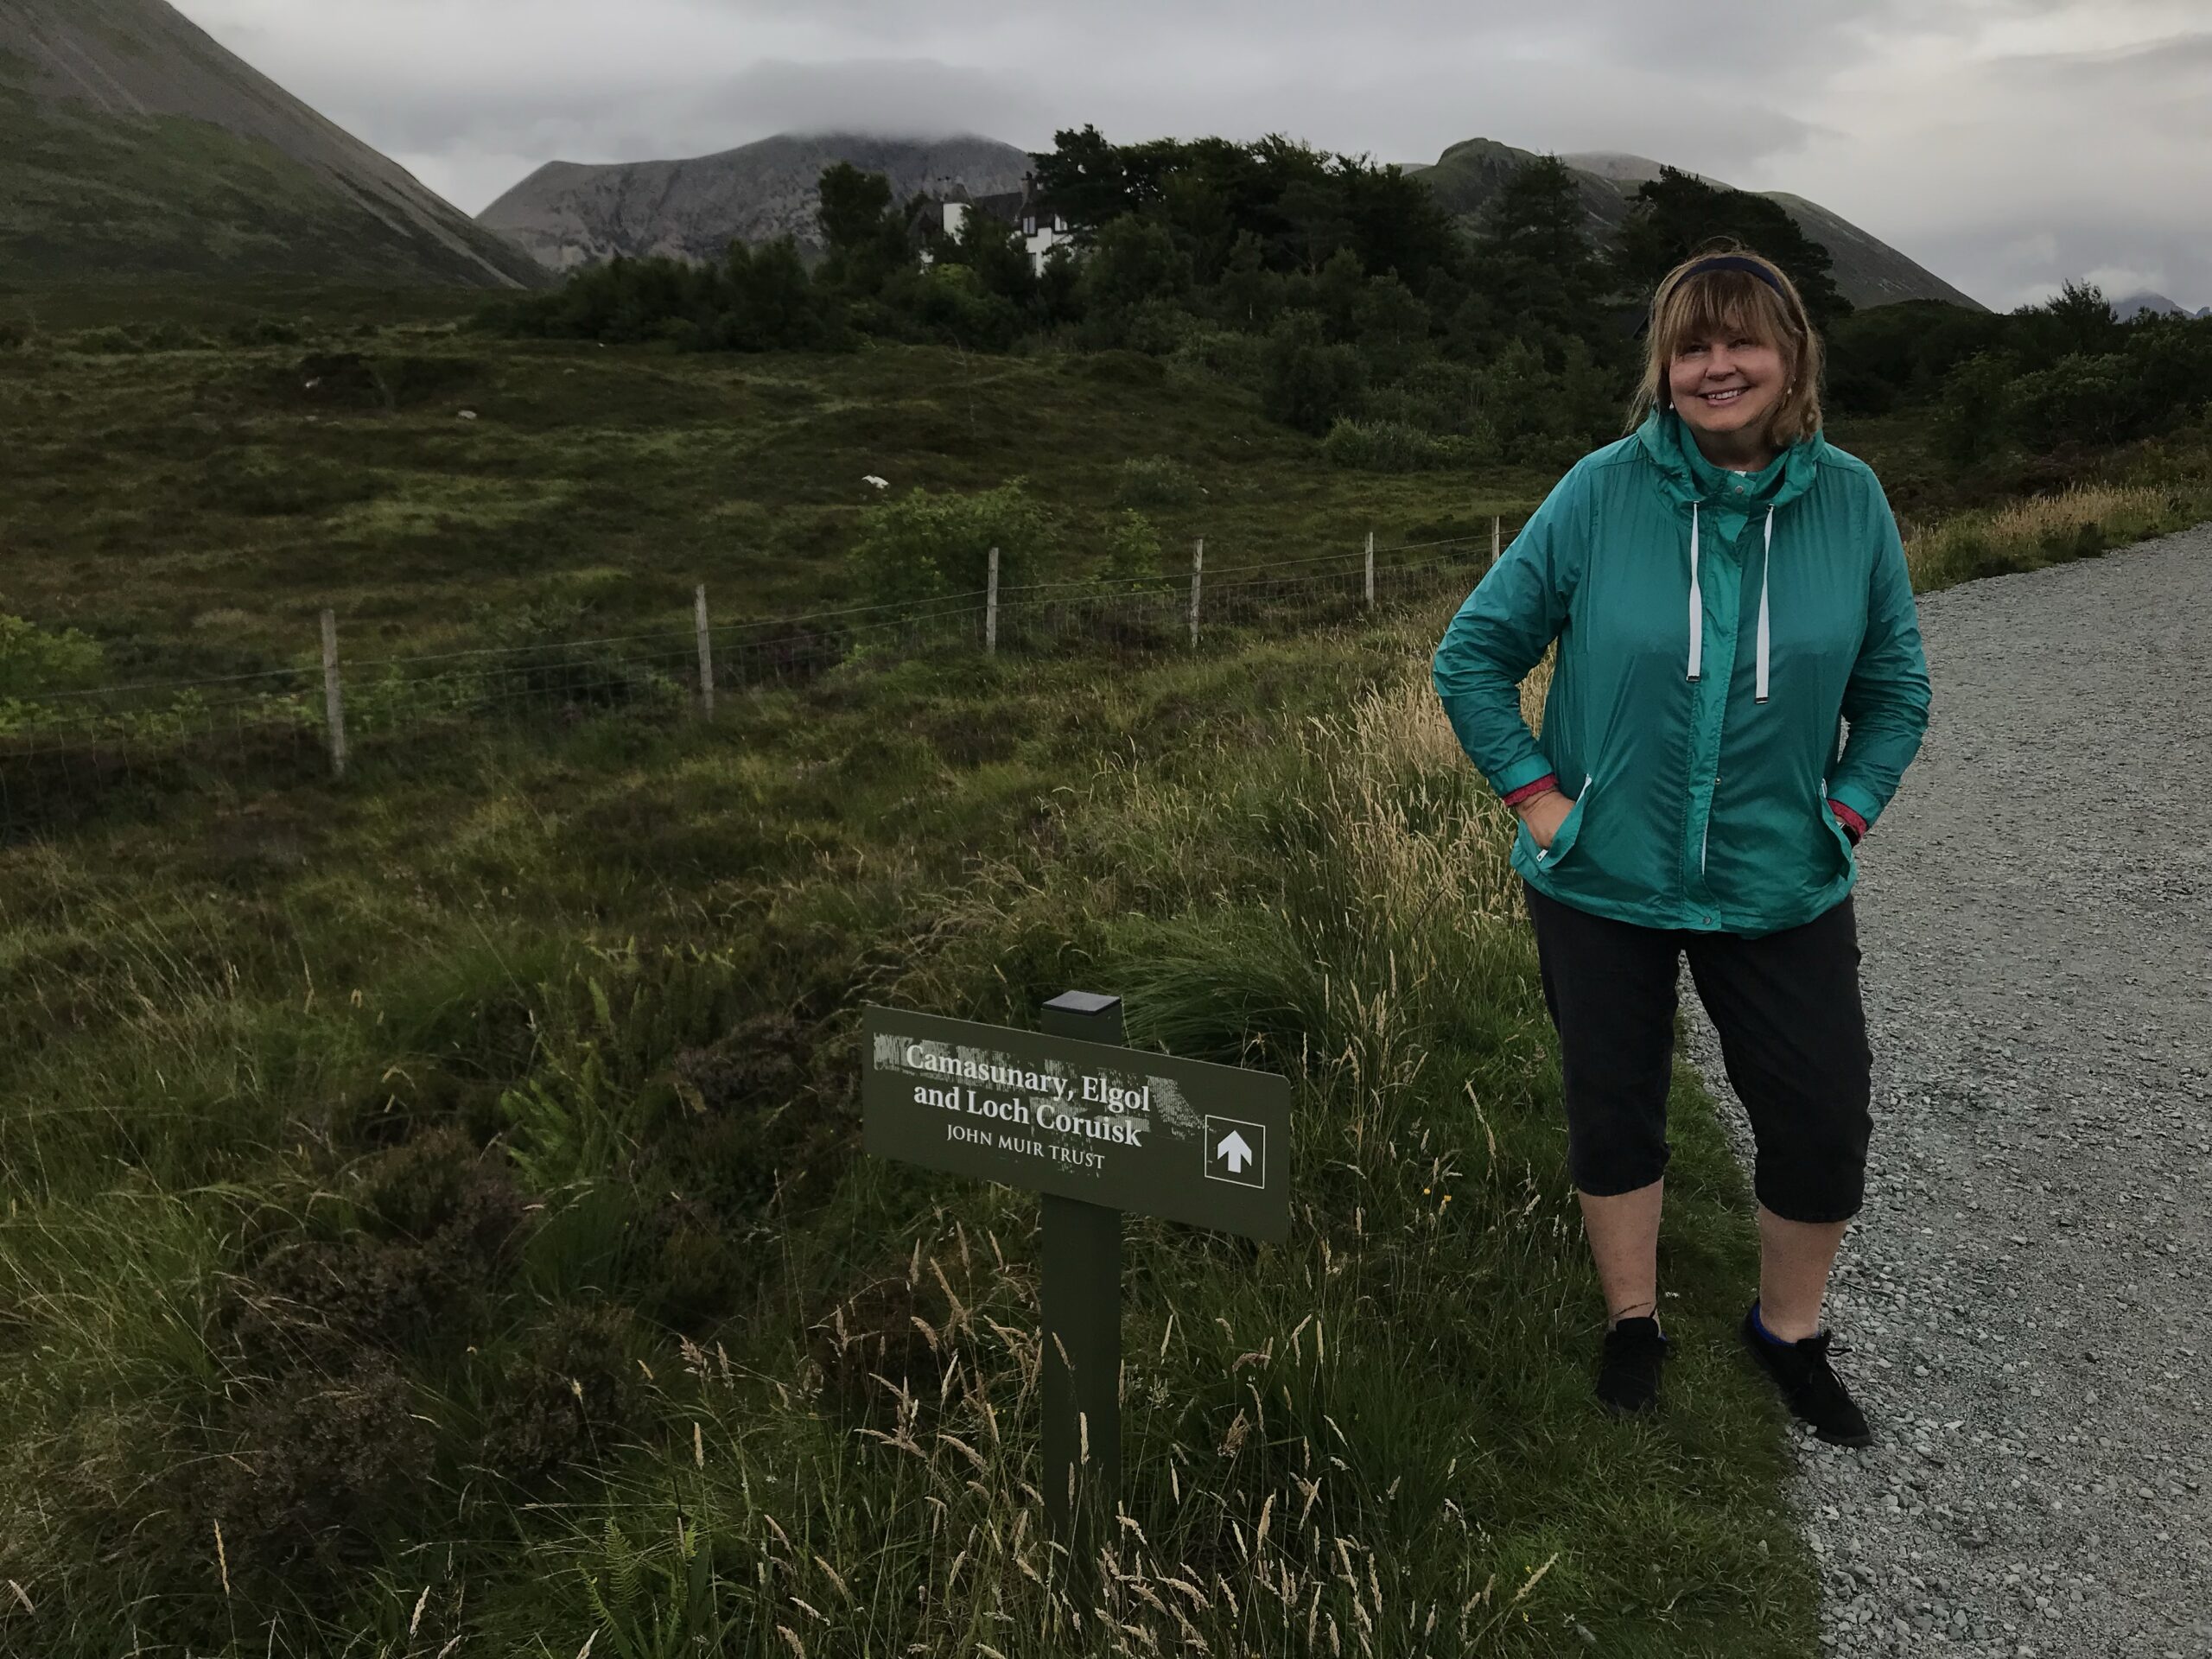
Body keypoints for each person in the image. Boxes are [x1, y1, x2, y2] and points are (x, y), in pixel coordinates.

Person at [1430, 247, 1931, 1445]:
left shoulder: (1850, 500)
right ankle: (1633, 1321)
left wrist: (1844, 812)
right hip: (1602, 878)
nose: (1718, 367)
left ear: (1793, 356)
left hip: (1781, 880)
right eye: (1691, 346)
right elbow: (1473, 657)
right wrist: (1543, 804)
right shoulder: (1600, 492)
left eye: (1742, 341)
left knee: (1822, 1118)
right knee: (1615, 1107)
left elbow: (1897, 690)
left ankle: (1788, 1332)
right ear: (1663, 368)